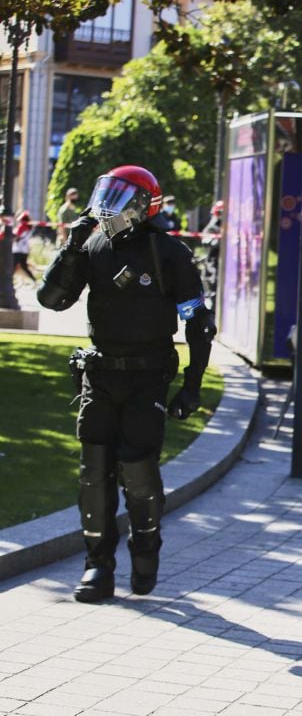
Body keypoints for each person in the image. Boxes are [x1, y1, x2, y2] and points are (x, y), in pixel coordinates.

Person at [36, 165, 215, 604]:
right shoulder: (93, 244)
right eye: (107, 191)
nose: (108, 203)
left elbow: (199, 324)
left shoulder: (168, 253)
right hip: (100, 374)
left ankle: (145, 546)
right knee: (94, 473)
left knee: (137, 468)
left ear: (142, 205)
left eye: (121, 194)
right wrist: (71, 249)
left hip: (148, 376)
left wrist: (192, 385)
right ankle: (98, 564)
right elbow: (52, 301)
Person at [12, 210, 37, 284]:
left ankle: (7, 282)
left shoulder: (22, 227)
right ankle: (34, 281)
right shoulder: (29, 228)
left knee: (12, 266)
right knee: (23, 267)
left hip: (17, 250)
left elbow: (16, 236)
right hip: (25, 250)